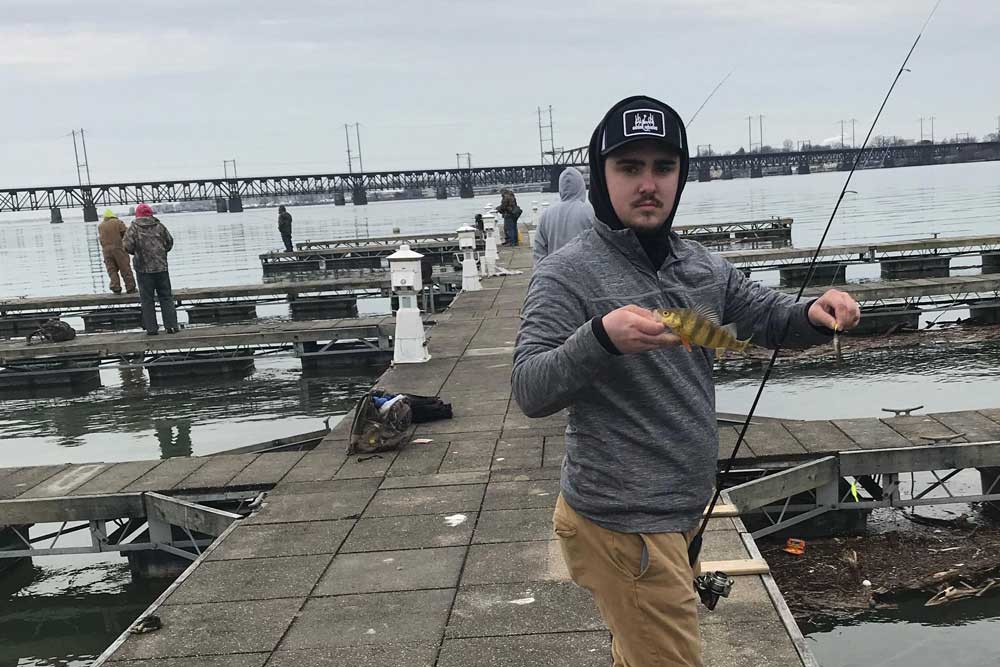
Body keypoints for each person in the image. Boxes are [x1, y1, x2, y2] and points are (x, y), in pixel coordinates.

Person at [511, 95, 861, 666]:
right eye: (629, 168)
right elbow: (530, 387)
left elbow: (766, 313)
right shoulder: (564, 274)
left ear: (681, 176)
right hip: (624, 525)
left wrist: (813, 314)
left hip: (680, 516)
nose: (648, 183)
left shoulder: (701, 266)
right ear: (602, 177)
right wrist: (599, 337)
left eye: (663, 167)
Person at [124, 203, 179, 336]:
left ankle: (152, 329)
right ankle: (171, 326)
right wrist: (160, 253)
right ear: (150, 213)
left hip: (143, 269)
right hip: (161, 268)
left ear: (138, 215)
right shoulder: (160, 226)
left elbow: (127, 247)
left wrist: (137, 252)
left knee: (147, 300)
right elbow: (169, 242)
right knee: (166, 297)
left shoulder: (133, 228)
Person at [532, 167, 593, 264]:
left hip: (555, 272)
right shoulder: (590, 212)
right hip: (585, 271)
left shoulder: (546, 215)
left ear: (560, 187)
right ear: (581, 186)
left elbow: (539, 250)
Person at [97, 209, 137, 294]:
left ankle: (115, 287)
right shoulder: (118, 222)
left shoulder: (100, 226)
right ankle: (130, 288)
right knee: (125, 268)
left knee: (111, 270)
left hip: (106, 251)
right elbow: (126, 233)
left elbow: (101, 239)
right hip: (119, 249)